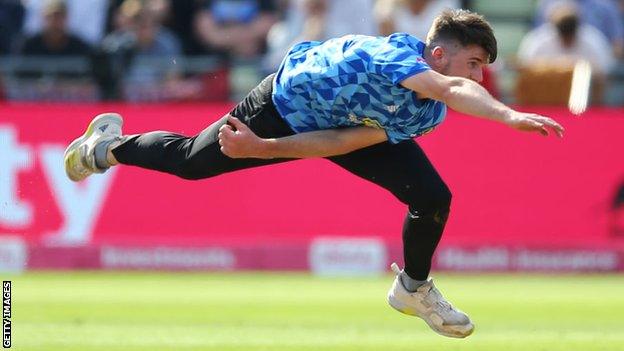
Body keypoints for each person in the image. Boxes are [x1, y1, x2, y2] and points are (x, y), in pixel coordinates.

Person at [64, 9, 564, 338]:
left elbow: (345, 143)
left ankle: (413, 288)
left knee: (432, 195)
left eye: (483, 70)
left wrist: (267, 152)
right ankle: (107, 146)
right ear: (438, 54)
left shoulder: (427, 112)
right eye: (473, 63)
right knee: (191, 164)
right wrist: (509, 115)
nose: (478, 76)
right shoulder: (392, 56)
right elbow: (453, 90)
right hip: (280, 104)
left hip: (341, 124)